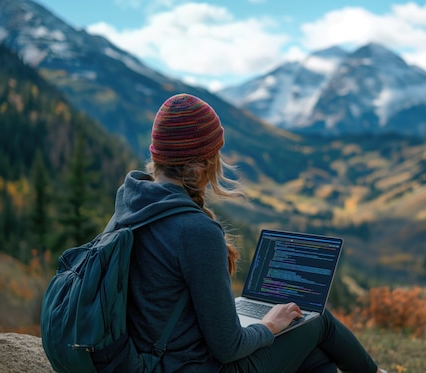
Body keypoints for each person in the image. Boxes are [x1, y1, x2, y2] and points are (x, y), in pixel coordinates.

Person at [108, 93, 385, 372]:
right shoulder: (195, 231)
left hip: (148, 360)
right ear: (203, 163)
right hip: (191, 366)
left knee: (315, 359)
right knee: (319, 321)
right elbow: (229, 347)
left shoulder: (133, 203)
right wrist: (269, 325)